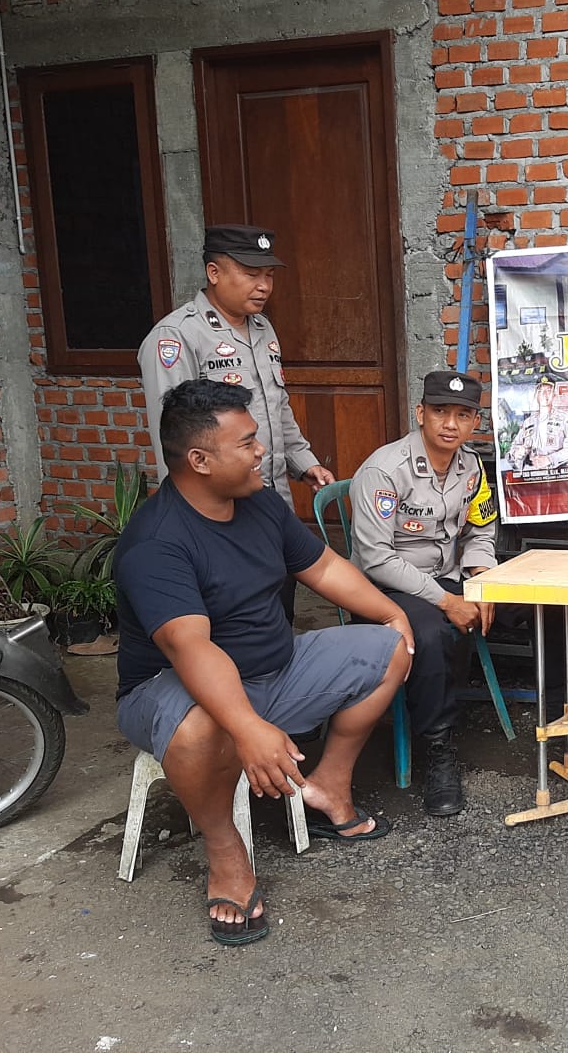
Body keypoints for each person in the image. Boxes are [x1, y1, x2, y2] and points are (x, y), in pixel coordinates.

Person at [113, 380, 415, 946]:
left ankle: (328, 784)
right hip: (173, 689)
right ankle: (226, 852)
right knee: (205, 725)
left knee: (392, 648)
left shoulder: (259, 505)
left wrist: (391, 614)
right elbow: (192, 649)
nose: (262, 454)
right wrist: (248, 726)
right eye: (248, 443)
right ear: (199, 460)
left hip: (277, 669)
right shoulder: (157, 542)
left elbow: (323, 569)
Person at [138, 225, 335, 619]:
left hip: (270, 499)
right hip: (217, 512)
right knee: (234, 621)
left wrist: (303, 460)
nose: (263, 286)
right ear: (214, 273)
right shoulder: (177, 337)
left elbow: (277, 406)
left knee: (278, 610)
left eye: (269, 275)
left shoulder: (262, 328)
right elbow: (172, 438)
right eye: (251, 273)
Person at [349, 370, 501, 817]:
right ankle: (437, 749)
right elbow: (375, 559)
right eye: (439, 412)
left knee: (531, 600)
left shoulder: (472, 466)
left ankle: (555, 725)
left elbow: (481, 526)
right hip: (387, 588)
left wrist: (481, 578)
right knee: (431, 635)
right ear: (420, 414)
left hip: (449, 576)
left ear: (475, 423)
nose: (450, 424)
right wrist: (448, 601)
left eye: (462, 415)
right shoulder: (384, 469)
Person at [506, 375, 568, 471]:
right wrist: (517, 452)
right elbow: (514, 448)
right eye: (541, 391)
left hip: (557, 472)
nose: (544, 395)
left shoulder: (565, 418)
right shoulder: (528, 422)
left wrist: (550, 459)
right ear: (536, 396)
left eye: (548, 391)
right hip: (531, 473)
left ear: (554, 395)